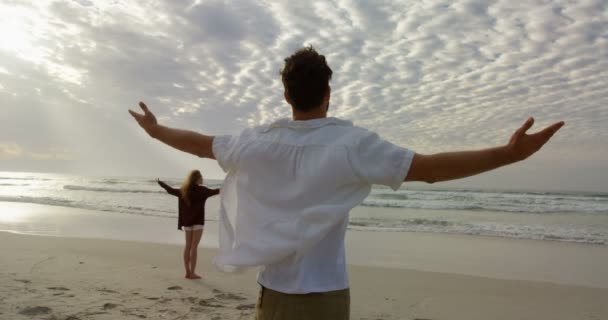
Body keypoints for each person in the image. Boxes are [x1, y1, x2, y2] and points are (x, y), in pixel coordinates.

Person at [129, 46, 564, 319]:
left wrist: (155, 130)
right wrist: (508, 155)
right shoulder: (351, 144)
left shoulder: (256, 143)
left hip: (272, 296)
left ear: (286, 95)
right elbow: (430, 169)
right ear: (328, 93)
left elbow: (202, 145)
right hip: (325, 297)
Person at [157, 170, 219, 279]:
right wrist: (232, 183)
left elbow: (170, 190)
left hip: (187, 222)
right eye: (201, 177)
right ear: (197, 178)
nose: (202, 179)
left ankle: (187, 272)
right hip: (198, 222)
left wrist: (160, 183)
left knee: (188, 246)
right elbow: (218, 191)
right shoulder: (203, 191)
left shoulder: (184, 191)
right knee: (194, 247)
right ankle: (193, 273)